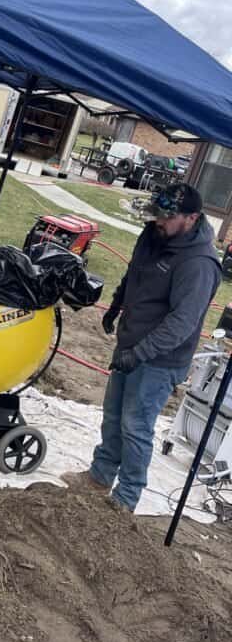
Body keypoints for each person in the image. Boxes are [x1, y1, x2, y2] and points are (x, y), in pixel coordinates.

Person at [82, 183, 221, 512]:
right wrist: (116, 306)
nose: (158, 222)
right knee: (113, 415)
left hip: (161, 359)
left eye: (167, 218)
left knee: (136, 425)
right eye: (157, 216)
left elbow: (182, 323)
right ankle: (99, 476)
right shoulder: (155, 235)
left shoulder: (199, 263)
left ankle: (126, 497)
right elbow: (134, 273)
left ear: (192, 218)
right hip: (131, 344)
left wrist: (139, 354)